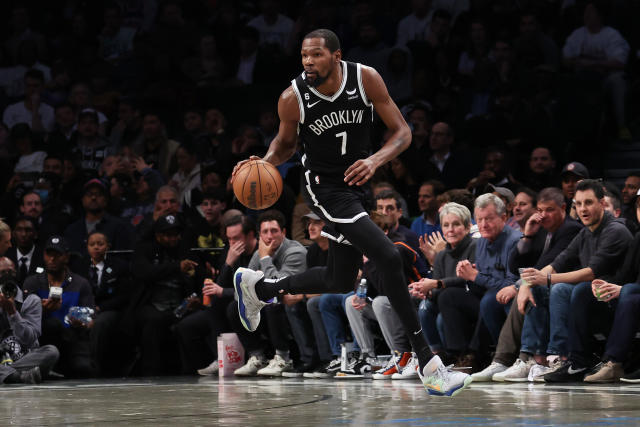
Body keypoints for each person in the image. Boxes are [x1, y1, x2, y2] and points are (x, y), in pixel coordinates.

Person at [231, 28, 470, 396]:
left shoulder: (366, 79)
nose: (308, 61)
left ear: (336, 56)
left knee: (338, 279)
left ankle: (259, 286)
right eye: (303, 56)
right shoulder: (293, 97)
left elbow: (403, 133)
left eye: (315, 55)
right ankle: (428, 364)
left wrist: (375, 159)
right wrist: (262, 162)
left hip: (356, 185)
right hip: (323, 188)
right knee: (389, 257)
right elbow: (284, 143)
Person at [520, 179, 633, 382]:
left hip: (615, 301)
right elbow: (558, 263)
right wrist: (527, 284)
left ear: (602, 203)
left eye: (588, 202)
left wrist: (544, 278)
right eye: (578, 204)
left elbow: (591, 272)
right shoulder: (584, 232)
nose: (582, 209)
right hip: (589, 298)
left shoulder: (615, 230)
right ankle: (536, 359)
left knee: (566, 289)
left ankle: (570, 359)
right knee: (541, 290)